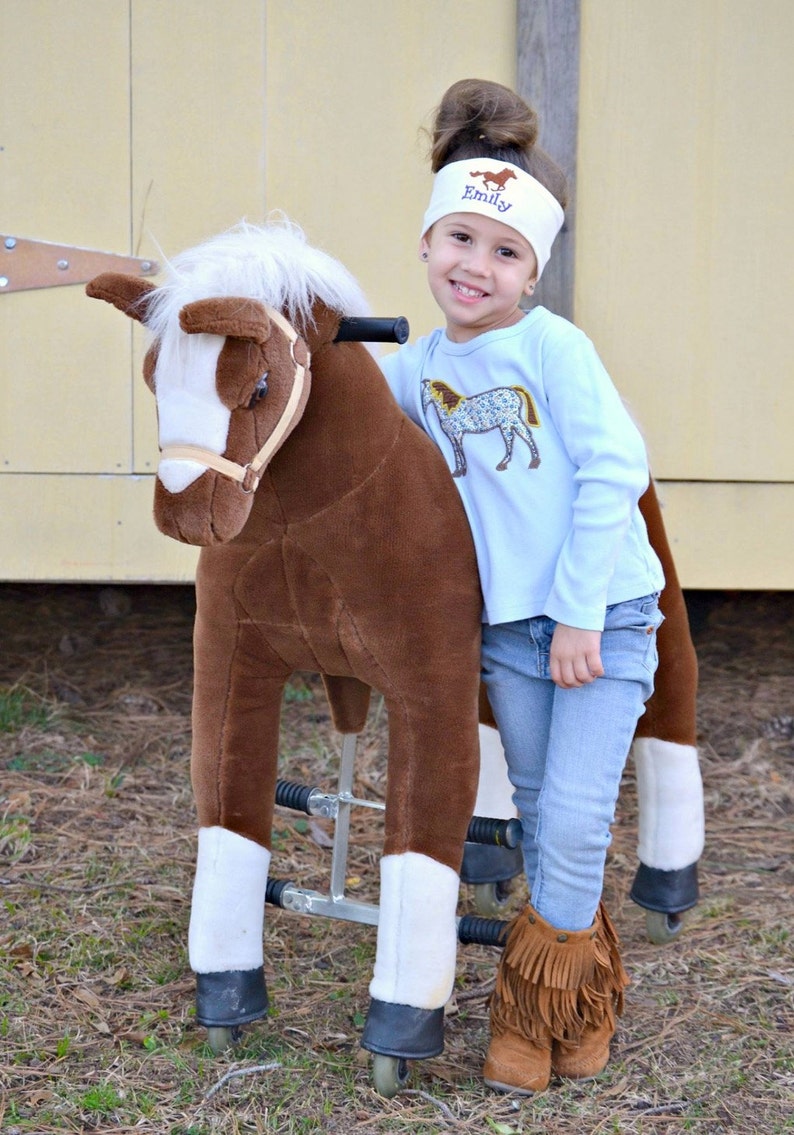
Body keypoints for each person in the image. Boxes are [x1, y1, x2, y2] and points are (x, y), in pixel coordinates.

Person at [379, 78, 666, 1094]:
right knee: (544, 817)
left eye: (504, 254)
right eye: (459, 240)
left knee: (579, 818)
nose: (476, 267)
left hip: (603, 616)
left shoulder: (552, 347)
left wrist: (583, 608)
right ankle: (582, 1003)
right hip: (508, 630)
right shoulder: (412, 370)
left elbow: (611, 469)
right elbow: (367, 448)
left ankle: (527, 1013)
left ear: (531, 272)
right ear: (425, 244)